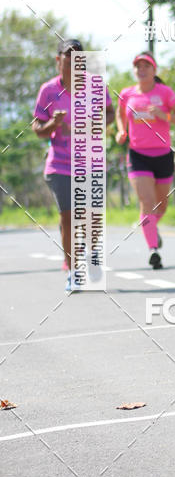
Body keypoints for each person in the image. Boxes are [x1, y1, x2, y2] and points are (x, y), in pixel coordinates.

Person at [32, 38, 115, 292]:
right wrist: (53, 125)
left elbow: (110, 113)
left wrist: (94, 123)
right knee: (68, 218)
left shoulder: (96, 85)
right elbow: (38, 128)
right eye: (68, 59)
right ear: (59, 60)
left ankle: (91, 256)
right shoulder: (48, 90)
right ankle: (73, 271)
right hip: (59, 165)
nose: (73, 64)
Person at [116, 53, 175, 270]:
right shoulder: (126, 94)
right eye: (138, 66)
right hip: (138, 155)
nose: (142, 69)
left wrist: (163, 115)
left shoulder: (165, 93)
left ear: (154, 71)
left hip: (163, 154)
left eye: (146, 66)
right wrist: (121, 131)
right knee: (146, 203)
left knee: (160, 205)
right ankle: (153, 250)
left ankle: (150, 226)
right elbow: (120, 115)